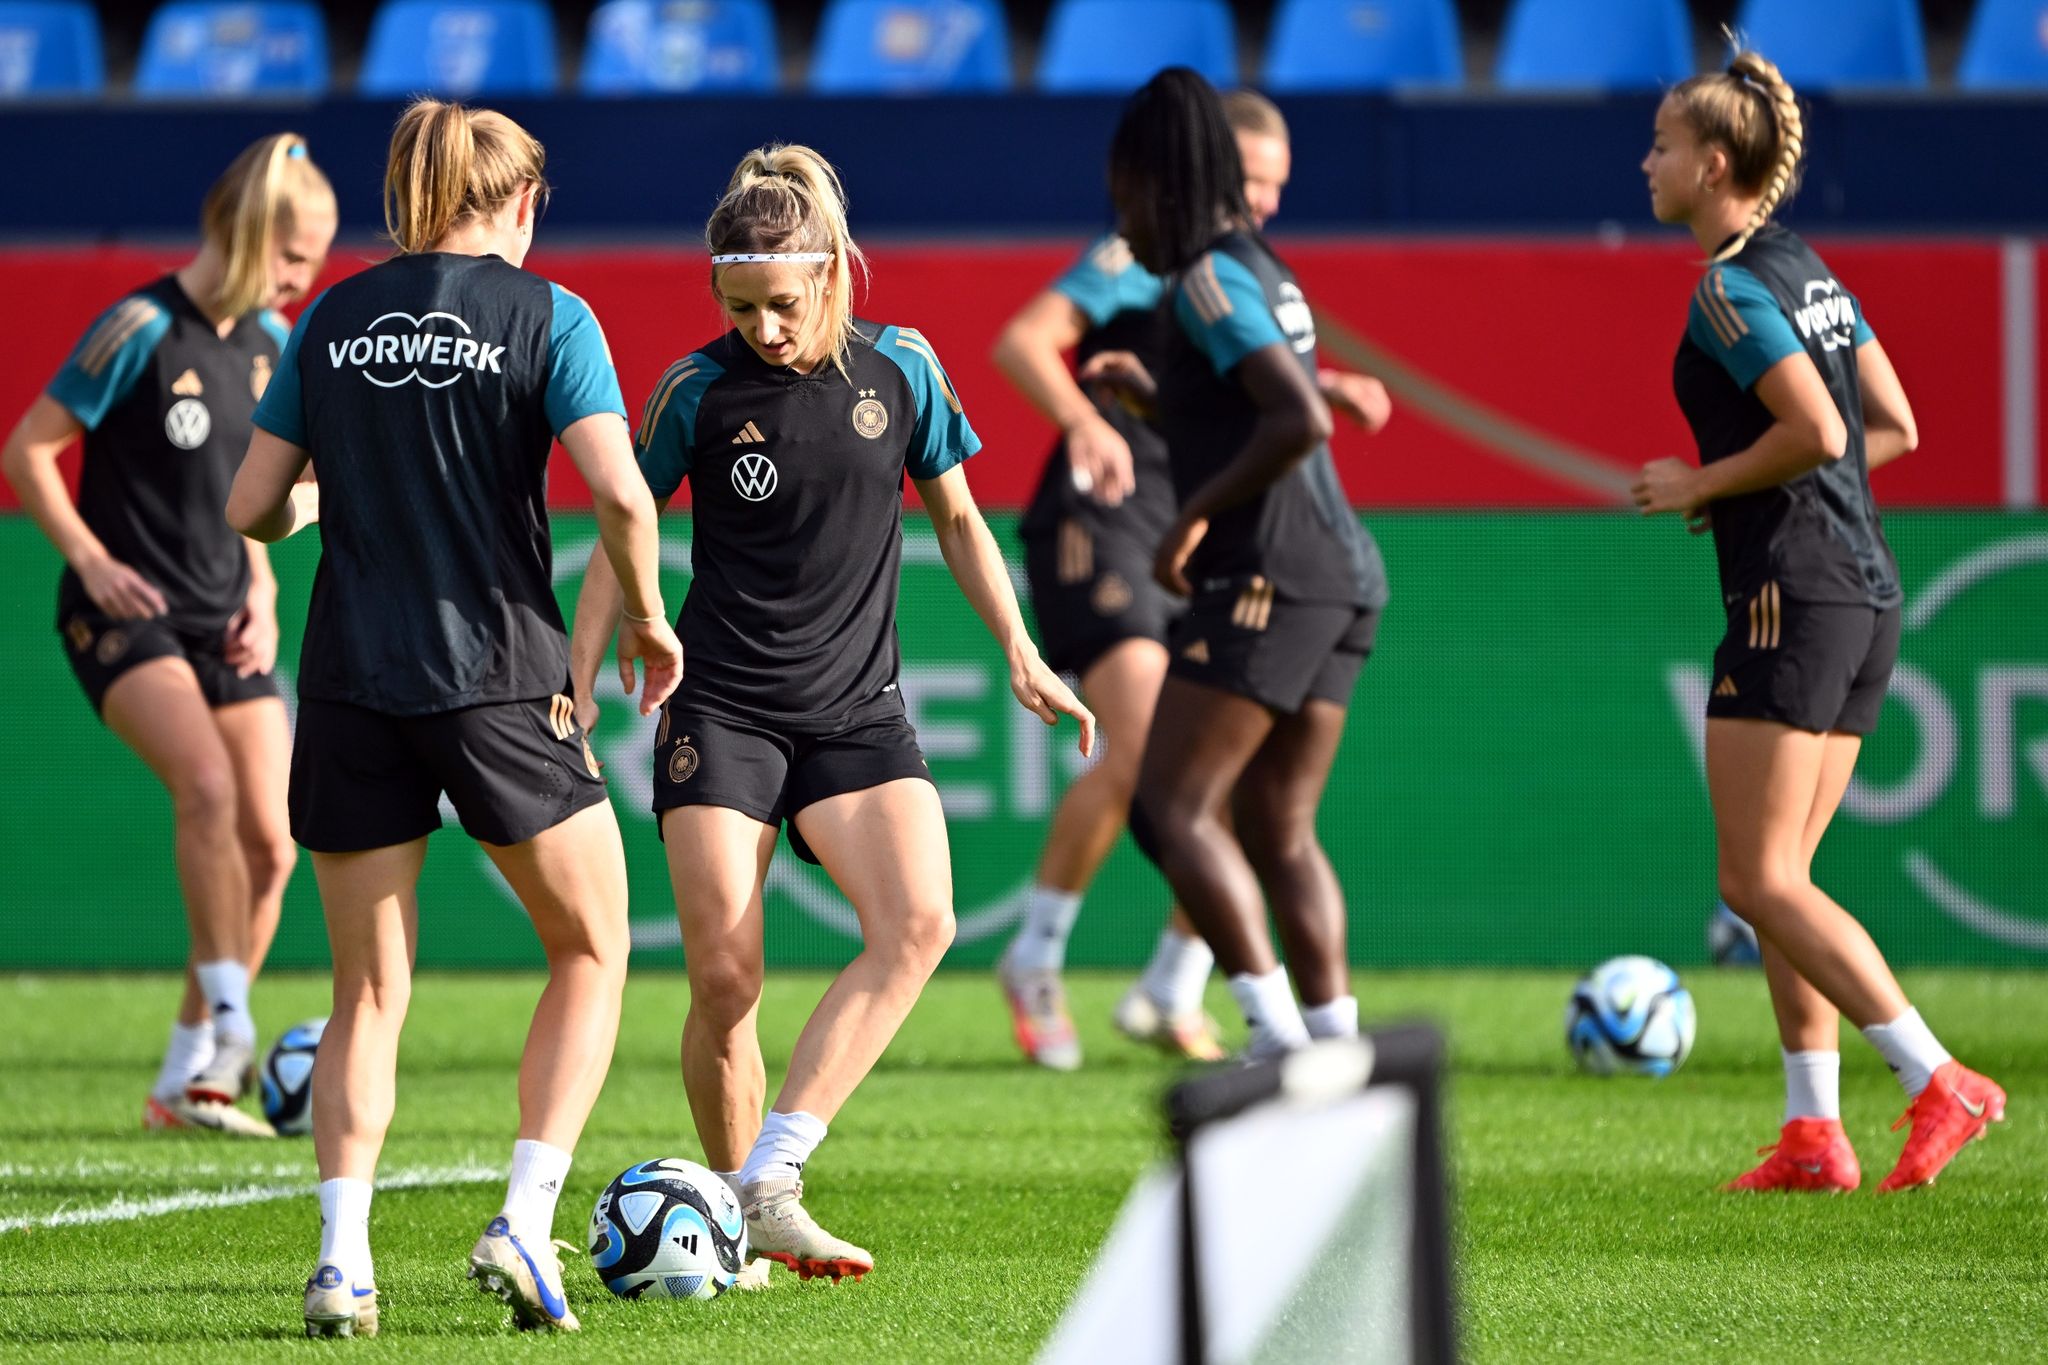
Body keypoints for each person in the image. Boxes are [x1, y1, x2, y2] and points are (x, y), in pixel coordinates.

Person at [570, 144, 1093, 1282]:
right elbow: (621, 525)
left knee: (920, 923)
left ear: (834, 276)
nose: (763, 327)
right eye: (740, 306)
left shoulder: (902, 368)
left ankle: (768, 1178)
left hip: (856, 711)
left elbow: (956, 520)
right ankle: (736, 1237)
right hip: (724, 707)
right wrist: (586, 663)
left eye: (784, 304)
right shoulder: (693, 391)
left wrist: (1020, 649)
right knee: (725, 980)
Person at [227, 98, 681, 1336]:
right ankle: (524, 1225)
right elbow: (624, 504)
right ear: (523, 201)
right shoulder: (551, 316)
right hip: (497, 677)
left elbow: (253, 506)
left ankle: (340, 1260)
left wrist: (327, 506)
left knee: (368, 990)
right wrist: (643, 617)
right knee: (593, 947)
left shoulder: (331, 313)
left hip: (348, 683)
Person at [1634, 47, 2005, 1192]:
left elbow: (1824, 431)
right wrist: (1759, 483)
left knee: (1756, 883)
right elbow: (1891, 422)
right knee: (1780, 875)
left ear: (1709, 165)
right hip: (1860, 590)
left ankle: (1933, 1078)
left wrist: (1704, 482)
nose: (1642, 161)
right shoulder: (1808, 269)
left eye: (1657, 144)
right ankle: (1811, 1134)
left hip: (1789, 601)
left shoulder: (1726, 285)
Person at [992, 88, 1391, 1070]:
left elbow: (1293, 419)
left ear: (1156, 184)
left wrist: (1194, 513)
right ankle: (1328, 1049)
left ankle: (1272, 1037)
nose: (1117, 219)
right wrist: (1147, 403)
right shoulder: (1258, 271)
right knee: (1272, 822)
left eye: (1124, 194)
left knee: (1167, 802)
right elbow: (1258, 404)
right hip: (1337, 572)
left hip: (1260, 568)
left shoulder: (1203, 277)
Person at [1, 134, 336, 1137]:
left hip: (223, 616)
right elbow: (29, 449)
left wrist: (266, 587)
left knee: (274, 843)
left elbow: (264, 494)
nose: (302, 278)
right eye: (292, 257)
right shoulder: (139, 326)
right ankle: (233, 1022)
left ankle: (189, 1077)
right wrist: (90, 559)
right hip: (123, 617)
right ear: (243, 235)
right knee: (206, 790)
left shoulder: (274, 345)